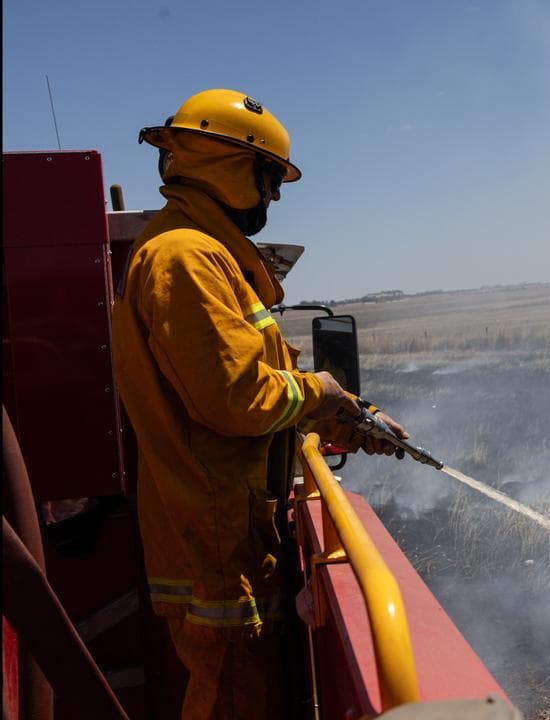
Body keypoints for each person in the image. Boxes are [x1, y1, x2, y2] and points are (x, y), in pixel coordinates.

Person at [111, 88, 407, 719]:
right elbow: (238, 398)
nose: (273, 197)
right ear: (230, 163)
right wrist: (323, 392)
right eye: (270, 179)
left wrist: (350, 417)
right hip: (216, 550)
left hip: (227, 538)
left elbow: (267, 377)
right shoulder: (185, 257)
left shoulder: (204, 253)